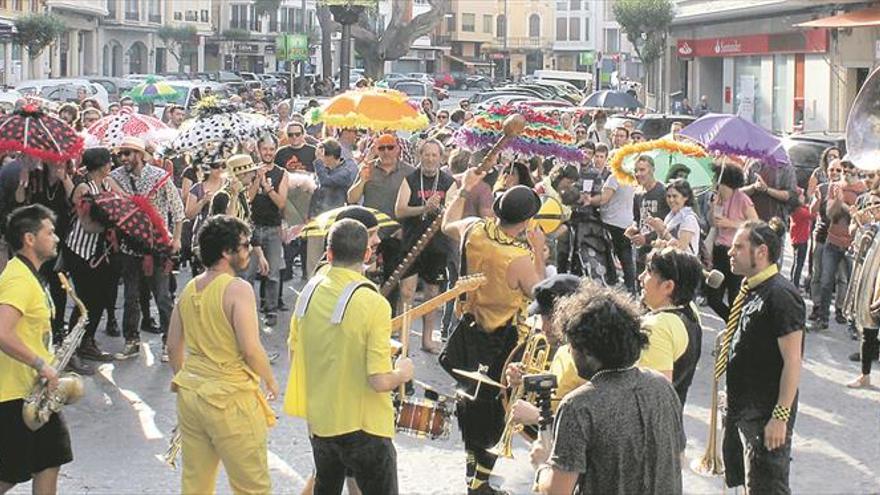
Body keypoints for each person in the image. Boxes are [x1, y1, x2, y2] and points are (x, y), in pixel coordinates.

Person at [284, 219, 413, 494]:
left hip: (321, 424)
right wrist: (403, 372)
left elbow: (294, 354)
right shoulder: (373, 303)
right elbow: (379, 380)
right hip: (365, 427)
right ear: (367, 254)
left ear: (328, 254)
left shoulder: (307, 292)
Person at [442, 173, 545, 495]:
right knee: (491, 412)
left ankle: (474, 474)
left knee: (470, 404)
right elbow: (542, 293)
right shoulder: (519, 258)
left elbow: (447, 223)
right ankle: (479, 482)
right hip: (501, 341)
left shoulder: (473, 227)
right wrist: (539, 251)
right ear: (528, 221)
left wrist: (463, 189)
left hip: (466, 331)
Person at [532, 282, 684, 494]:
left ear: (587, 350)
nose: (570, 351)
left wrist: (542, 464)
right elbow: (677, 458)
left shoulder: (579, 406)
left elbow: (557, 491)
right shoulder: (662, 387)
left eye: (572, 346)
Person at [167, 215, 279, 494]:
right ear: (226, 252)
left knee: (196, 485)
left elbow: (172, 348)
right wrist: (270, 379)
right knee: (252, 486)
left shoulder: (190, 287)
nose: (249, 250)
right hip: (230, 400)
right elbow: (251, 349)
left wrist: (188, 380)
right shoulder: (237, 289)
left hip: (191, 396)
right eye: (244, 245)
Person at [721, 219, 805, 493]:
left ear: (761, 252)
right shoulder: (750, 286)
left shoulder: (781, 295)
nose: (730, 253)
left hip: (765, 414)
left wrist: (779, 417)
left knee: (767, 486)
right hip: (743, 409)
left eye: (738, 247)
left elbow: (793, 361)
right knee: (749, 483)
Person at [0, 204, 73, 494]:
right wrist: (41, 365)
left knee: (50, 460)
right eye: (50, 232)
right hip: (15, 394)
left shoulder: (30, 277)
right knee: (10, 473)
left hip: (34, 392)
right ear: (29, 238)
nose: (56, 238)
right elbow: (2, 331)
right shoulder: (19, 279)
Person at [110, 136, 184, 360]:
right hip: (130, 246)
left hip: (157, 245)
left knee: (162, 296)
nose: (123, 158)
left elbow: (178, 210)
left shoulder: (159, 177)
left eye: (128, 153)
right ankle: (131, 341)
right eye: (121, 154)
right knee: (130, 296)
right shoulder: (115, 177)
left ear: (140, 155)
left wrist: (177, 239)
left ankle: (168, 344)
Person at [394, 139, 455, 352]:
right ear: (420, 156)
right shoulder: (410, 179)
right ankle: (403, 340)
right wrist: (423, 209)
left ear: (441, 158)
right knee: (407, 291)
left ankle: (427, 340)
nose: (430, 159)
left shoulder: (448, 182)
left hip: (437, 246)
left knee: (432, 293)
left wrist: (439, 211)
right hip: (412, 242)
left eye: (434, 155)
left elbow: (453, 212)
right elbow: (400, 210)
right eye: (426, 155)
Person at [64, 148, 121, 362]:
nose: (112, 165)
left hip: (99, 253)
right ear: (102, 164)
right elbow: (86, 224)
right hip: (80, 251)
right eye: (109, 162)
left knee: (100, 299)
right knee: (86, 301)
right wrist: (113, 226)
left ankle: (87, 342)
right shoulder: (83, 187)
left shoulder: (106, 184)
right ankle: (72, 348)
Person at [638, 247, 703, 407]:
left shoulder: (658, 327)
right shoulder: (691, 311)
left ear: (668, 286)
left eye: (648, 272)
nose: (640, 277)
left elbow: (654, 398)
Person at [810, 159, 865, 331]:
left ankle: (852, 322)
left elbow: (862, 219)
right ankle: (823, 319)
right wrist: (837, 201)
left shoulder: (864, 189)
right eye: (845, 167)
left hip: (852, 245)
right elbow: (829, 214)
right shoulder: (835, 187)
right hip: (832, 242)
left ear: (857, 168)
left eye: (850, 166)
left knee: (851, 284)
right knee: (826, 282)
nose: (847, 170)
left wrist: (847, 207)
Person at [245, 135, 289, 328]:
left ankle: (271, 310)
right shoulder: (251, 170)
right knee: (248, 273)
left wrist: (268, 188)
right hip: (252, 228)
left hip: (272, 227)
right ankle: (245, 311)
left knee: (272, 272)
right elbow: (247, 198)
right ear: (258, 150)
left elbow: (281, 203)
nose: (268, 153)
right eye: (265, 149)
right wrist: (257, 179)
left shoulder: (282, 173)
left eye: (272, 149)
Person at [706, 165, 759, 321]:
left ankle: (736, 328)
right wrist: (712, 207)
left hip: (736, 251)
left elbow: (756, 223)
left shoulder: (742, 199)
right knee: (713, 297)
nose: (713, 182)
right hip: (720, 250)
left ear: (723, 181)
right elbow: (713, 223)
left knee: (734, 297)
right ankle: (734, 325)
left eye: (716, 179)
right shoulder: (718, 199)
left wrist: (731, 223)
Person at [589, 147, 636, 293]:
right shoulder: (630, 177)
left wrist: (587, 200)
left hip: (612, 222)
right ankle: (631, 288)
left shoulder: (614, 177)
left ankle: (615, 285)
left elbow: (604, 199)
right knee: (626, 257)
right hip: (627, 221)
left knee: (611, 257)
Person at [625, 155, 671, 280]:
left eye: (642, 170)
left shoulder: (664, 192)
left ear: (652, 170)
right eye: (636, 170)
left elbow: (670, 223)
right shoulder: (638, 194)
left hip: (659, 249)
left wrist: (646, 238)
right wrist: (633, 229)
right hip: (641, 250)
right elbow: (637, 219)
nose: (638, 174)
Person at [647, 179, 701, 255]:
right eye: (668, 196)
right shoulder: (670, 217)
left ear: (685, 197)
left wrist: (662, 230)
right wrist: (657, 231)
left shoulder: (688, 219)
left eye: (675, 196)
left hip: (685, 264)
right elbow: (662, 242)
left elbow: (681, 249)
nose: (671, 200)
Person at [789, 188, 812, 289]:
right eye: (801, 195)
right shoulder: (801, 211)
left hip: (796, 239)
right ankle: (795, 284)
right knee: (799, 264)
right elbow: (813, 215)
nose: (803, 197)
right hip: (801, 240)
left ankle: (792, 281)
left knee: (796, 262)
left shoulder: (795, 210)